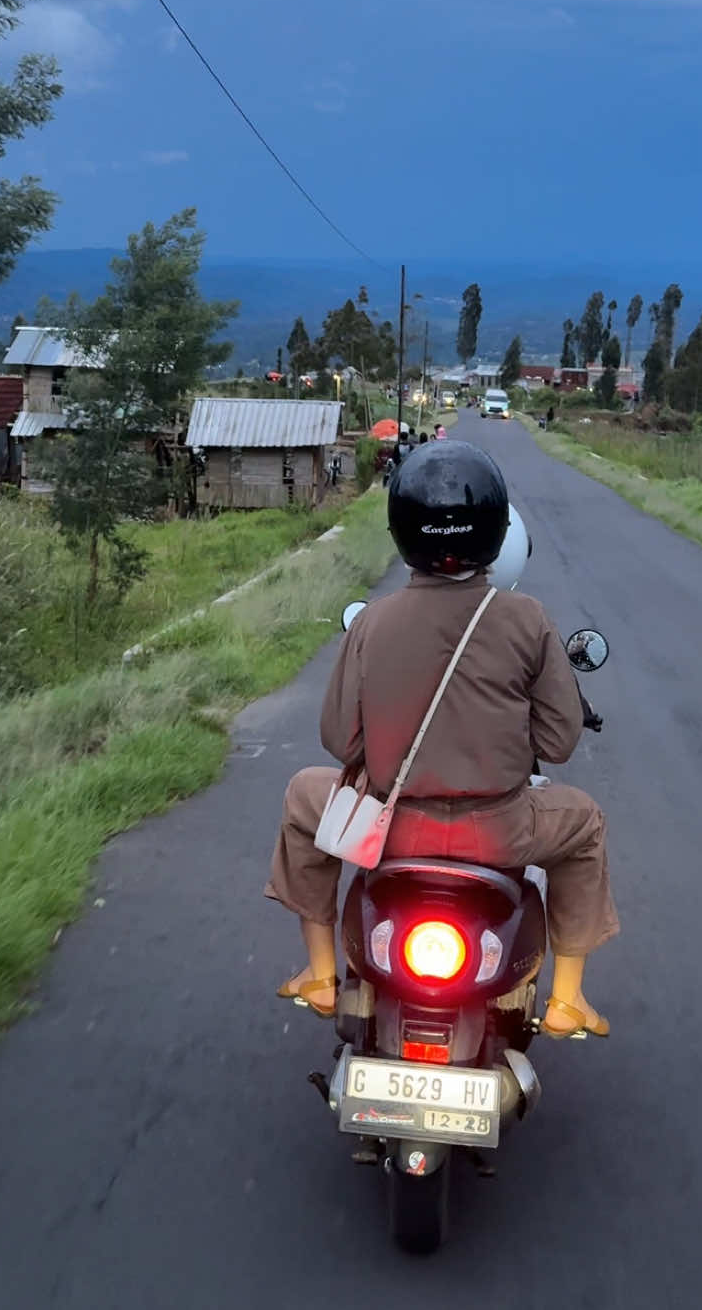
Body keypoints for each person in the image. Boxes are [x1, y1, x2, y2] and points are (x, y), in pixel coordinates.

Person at [267, 441, 617, 1039]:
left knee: (303, 795)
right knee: (584, 823)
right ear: (497, 532)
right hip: (501, 833)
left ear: (403, 531)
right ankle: (568, 998)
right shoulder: (527, 620)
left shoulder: (372, 621)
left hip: (391, 832)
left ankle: (321, 973)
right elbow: (558, 742)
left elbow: (337, 738)